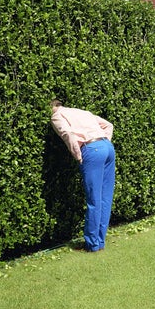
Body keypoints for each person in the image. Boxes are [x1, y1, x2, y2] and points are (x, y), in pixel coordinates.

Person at [50, 99, 115, 252]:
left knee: (94, 199)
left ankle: (92, 245)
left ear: (53, 107)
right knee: (105, 197)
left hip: (91, 149)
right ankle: (100, 241)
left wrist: (78, 156)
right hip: (107, 147)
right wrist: (105, 143)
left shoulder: (57, 116)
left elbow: (68, 135)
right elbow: (108, 125)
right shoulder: (81, 111)